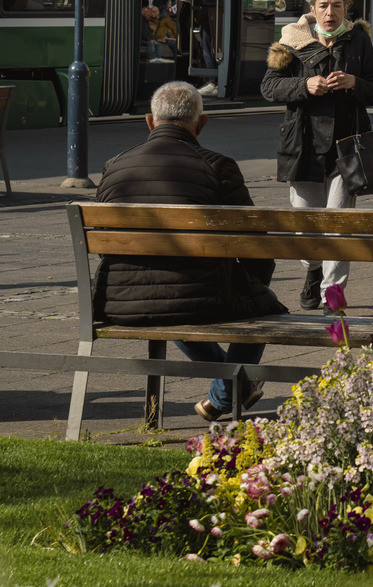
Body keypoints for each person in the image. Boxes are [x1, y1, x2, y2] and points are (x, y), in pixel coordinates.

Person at [94, 81, 286, 422]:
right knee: (261, 301)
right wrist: (253, 283)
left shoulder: (114, 166)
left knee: (173, 301)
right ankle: (230, 390)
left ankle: (231, 388)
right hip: (200, 297)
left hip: (119, 300)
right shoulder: (218, 166)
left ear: (150, 121)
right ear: (201, 124)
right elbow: (256, 244)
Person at [261, 0, 373, 312]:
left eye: (337, 6)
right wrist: (305, 86)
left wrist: (354, 82)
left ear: (347, 8)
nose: (330, 12)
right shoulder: (291, 41)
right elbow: (269, 87)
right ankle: (313, 270)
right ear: (312, 9)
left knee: (338, 224)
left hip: (348, 147)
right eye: (324, 6)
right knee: (305, 227)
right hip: (303, 146)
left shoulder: (358, 40)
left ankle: (333, 295)